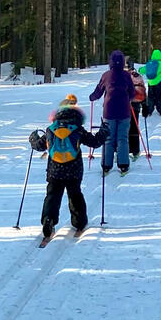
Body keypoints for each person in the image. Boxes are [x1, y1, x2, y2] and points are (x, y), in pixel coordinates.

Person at [28, 94, 107, 239]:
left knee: (52, 195)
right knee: (75, 195)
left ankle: (48, 219)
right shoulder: (77, 129)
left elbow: (39, 146)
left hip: (54, 170)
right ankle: (79, 222)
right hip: (73, 170)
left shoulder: (51, 129)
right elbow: (94, 142)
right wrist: (103, 132)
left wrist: (33, 138)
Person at [88, 49, 134, 176]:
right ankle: (123, 165)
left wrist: (92, 97)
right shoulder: (126, 75)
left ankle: (106, 165)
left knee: (108, 138)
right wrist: (128, 98)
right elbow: (132, 92)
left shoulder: (106, 75)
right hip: (124, 111)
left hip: (109, 111)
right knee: (122, 138)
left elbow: (98, 91)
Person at [127, 60, 148, 159]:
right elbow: (142, 90)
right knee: (134, 127)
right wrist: (145, 105)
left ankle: (122, 150)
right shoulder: (137, 76)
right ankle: (135, 150)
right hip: (135, 105)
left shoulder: (120, 76)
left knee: (123, 128)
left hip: (122, 106)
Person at [144, 49, 161, 115]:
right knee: (158, 96)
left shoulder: (149, 63)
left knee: (150, 96)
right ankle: (160, 110)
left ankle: (150, 110)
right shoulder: (160, 64)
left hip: (150, 82)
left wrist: (139, 70)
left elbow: (143, 70)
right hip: (158, 82)